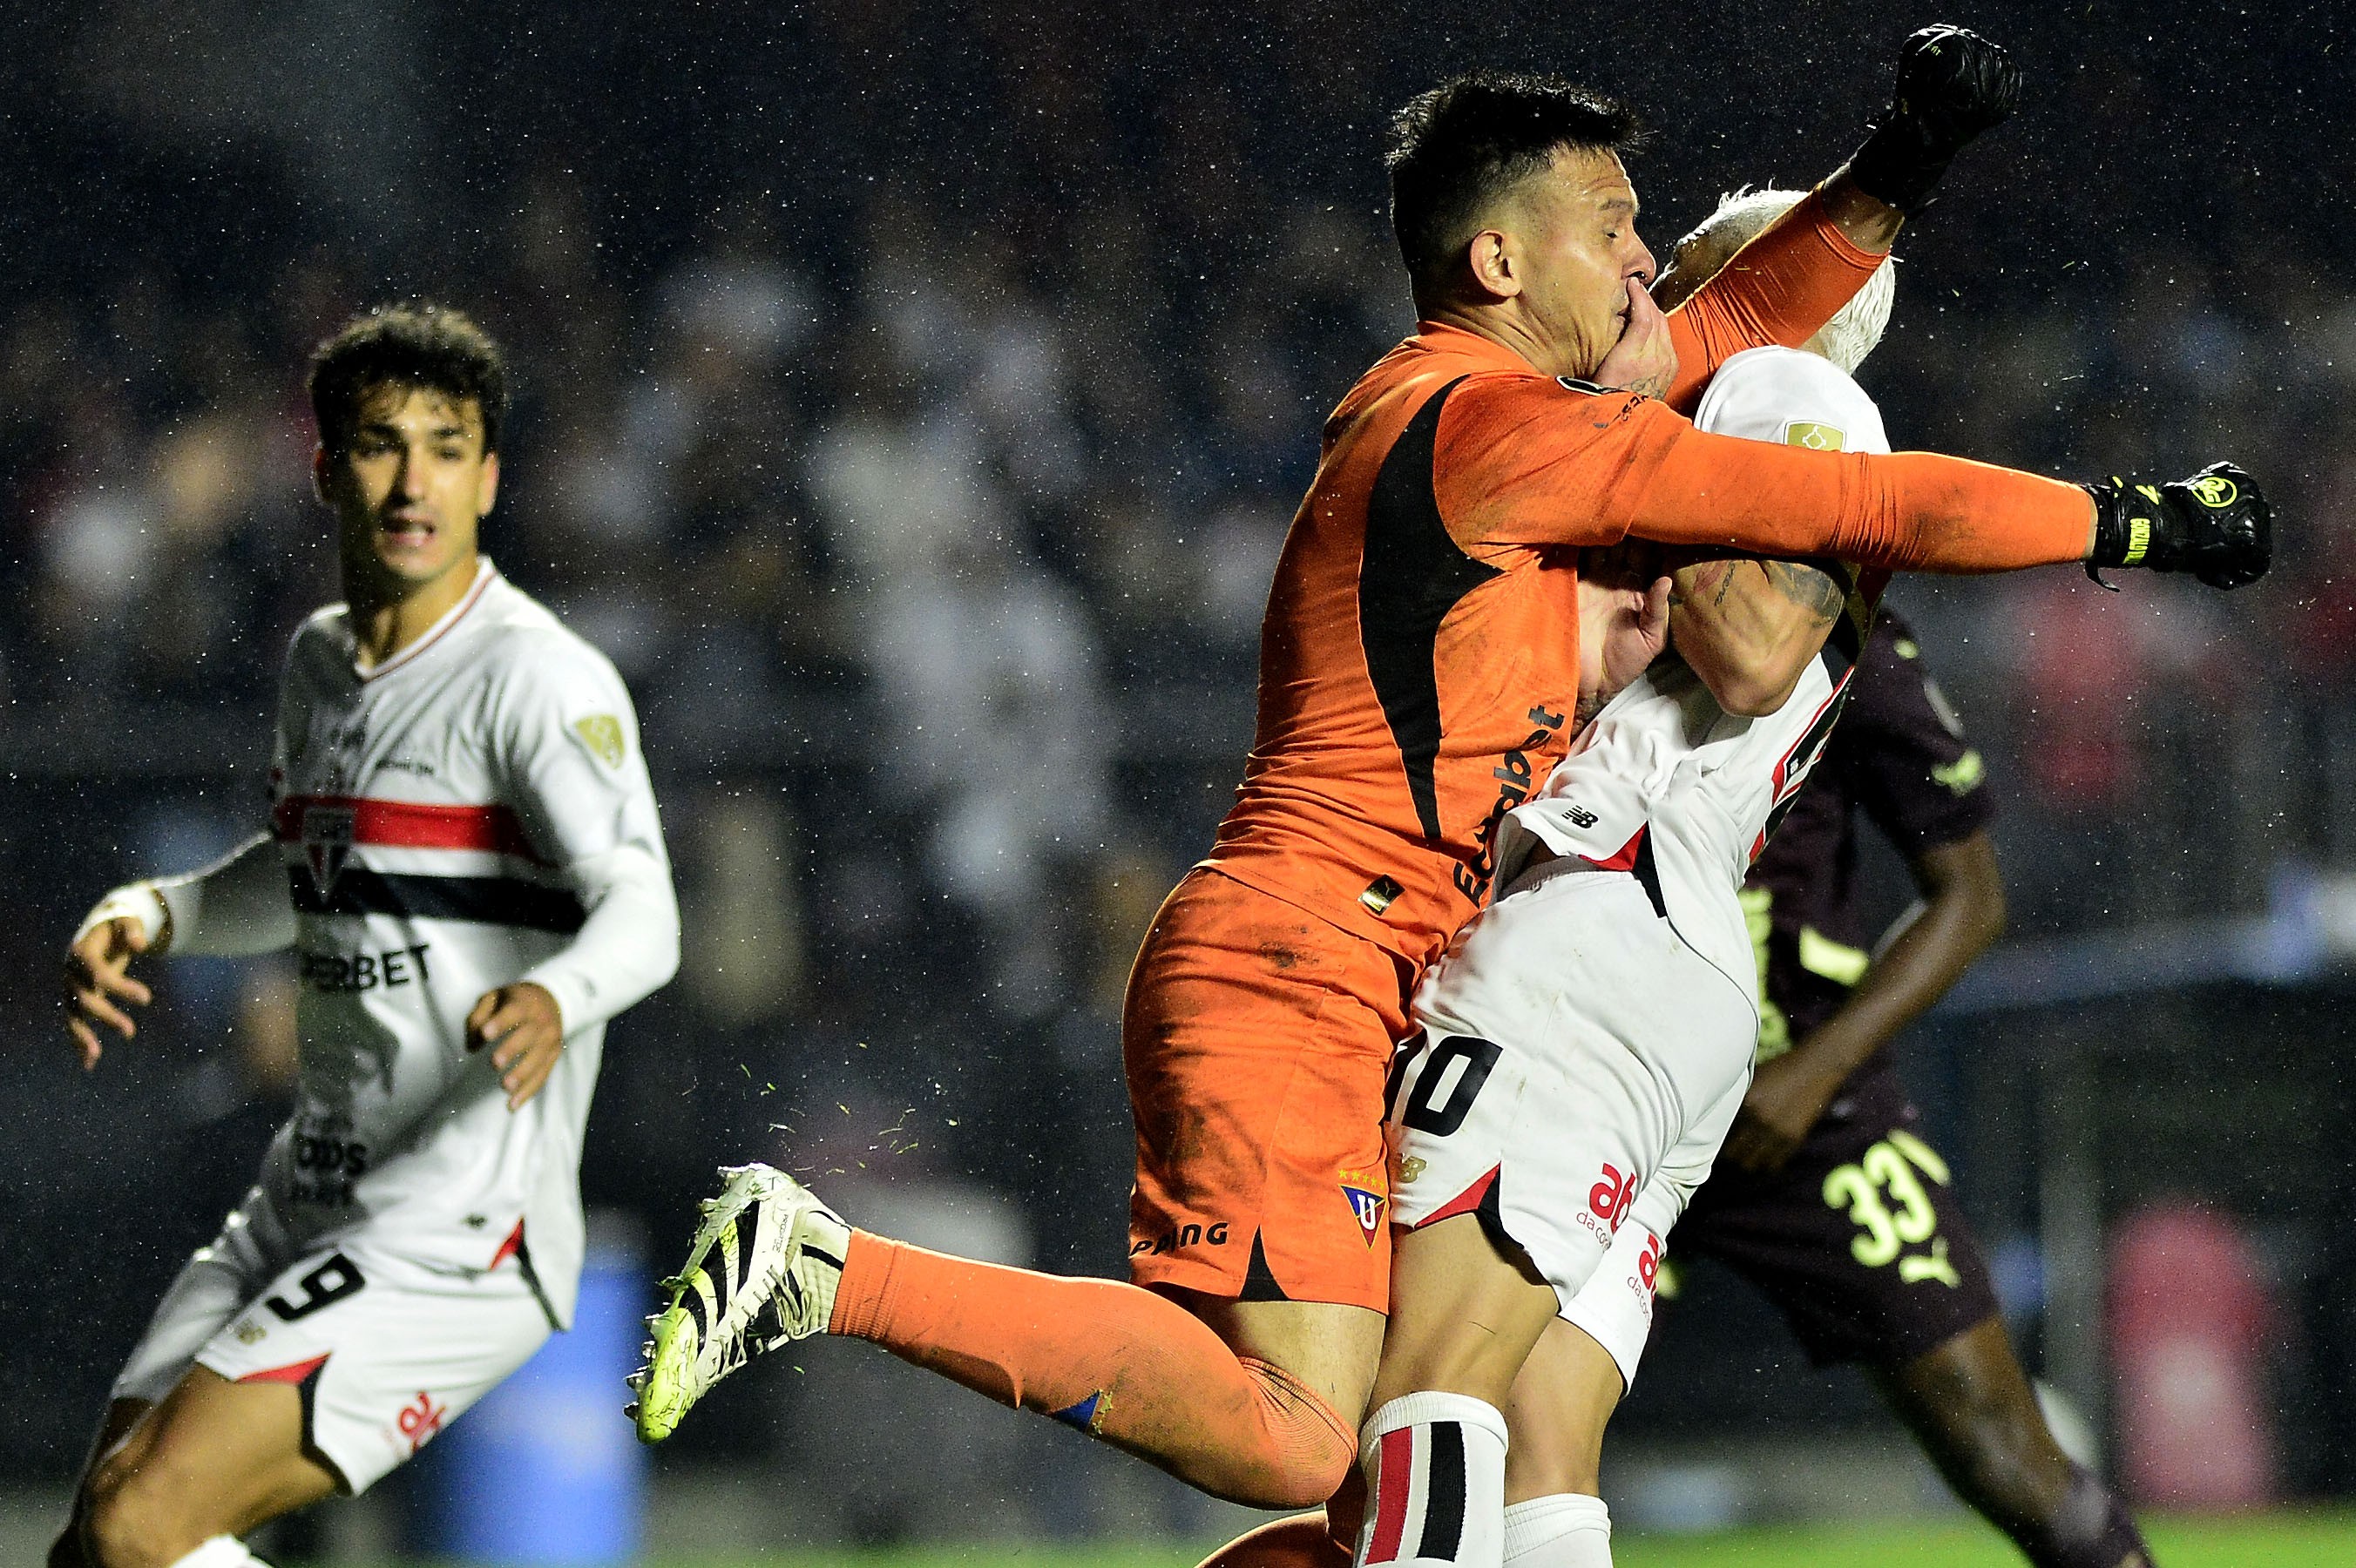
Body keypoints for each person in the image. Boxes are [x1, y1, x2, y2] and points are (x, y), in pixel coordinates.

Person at [628, 29, 2266, 1524]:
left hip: (1351, 963)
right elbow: (1858, 505)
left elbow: (1737, 320)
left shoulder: (1493, 412)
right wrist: (2142, 522)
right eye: (1614, 228)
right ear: (1500, 260)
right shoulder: (1493, 428)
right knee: (1303, 1441)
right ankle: (823, 1268)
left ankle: (827, 1271)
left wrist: (1900, 162)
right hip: (1297, 960)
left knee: (1354, 1473)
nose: (1646, 259)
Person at [1349, 187, 2204, 1567]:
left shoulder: (1806, 574)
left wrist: (1809, 1078)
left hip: (1764, 1071)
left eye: (1697, 263)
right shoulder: (1621, 474)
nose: (1658, 276)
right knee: (1528, 1419)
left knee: (1991, 1438)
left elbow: (1969, 893)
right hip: (1618, 1013)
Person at [53, 304, 680, 1568]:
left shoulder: (537, 678)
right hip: (311, 1192)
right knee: (104, 1543)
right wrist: (159, 911)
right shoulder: (320, 662)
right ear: (326, 470)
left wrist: (557, 995)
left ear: (488, 479)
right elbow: (309, 870)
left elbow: (647, 910)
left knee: (139, 1525)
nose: (412, 481)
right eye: (381, 445)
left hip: (459, 1225)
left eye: (446, 448)